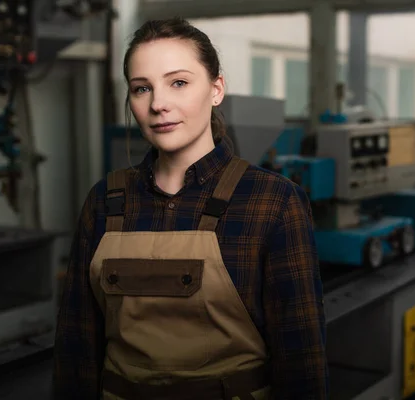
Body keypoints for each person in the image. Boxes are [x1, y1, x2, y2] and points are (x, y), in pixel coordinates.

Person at [53, 17, 328, 400]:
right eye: (141, 88)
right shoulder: (105, 200)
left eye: (178, 82)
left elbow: (302, 361)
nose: (158, 104)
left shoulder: (272, 201)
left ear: (216, 89)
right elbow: (76, 347)